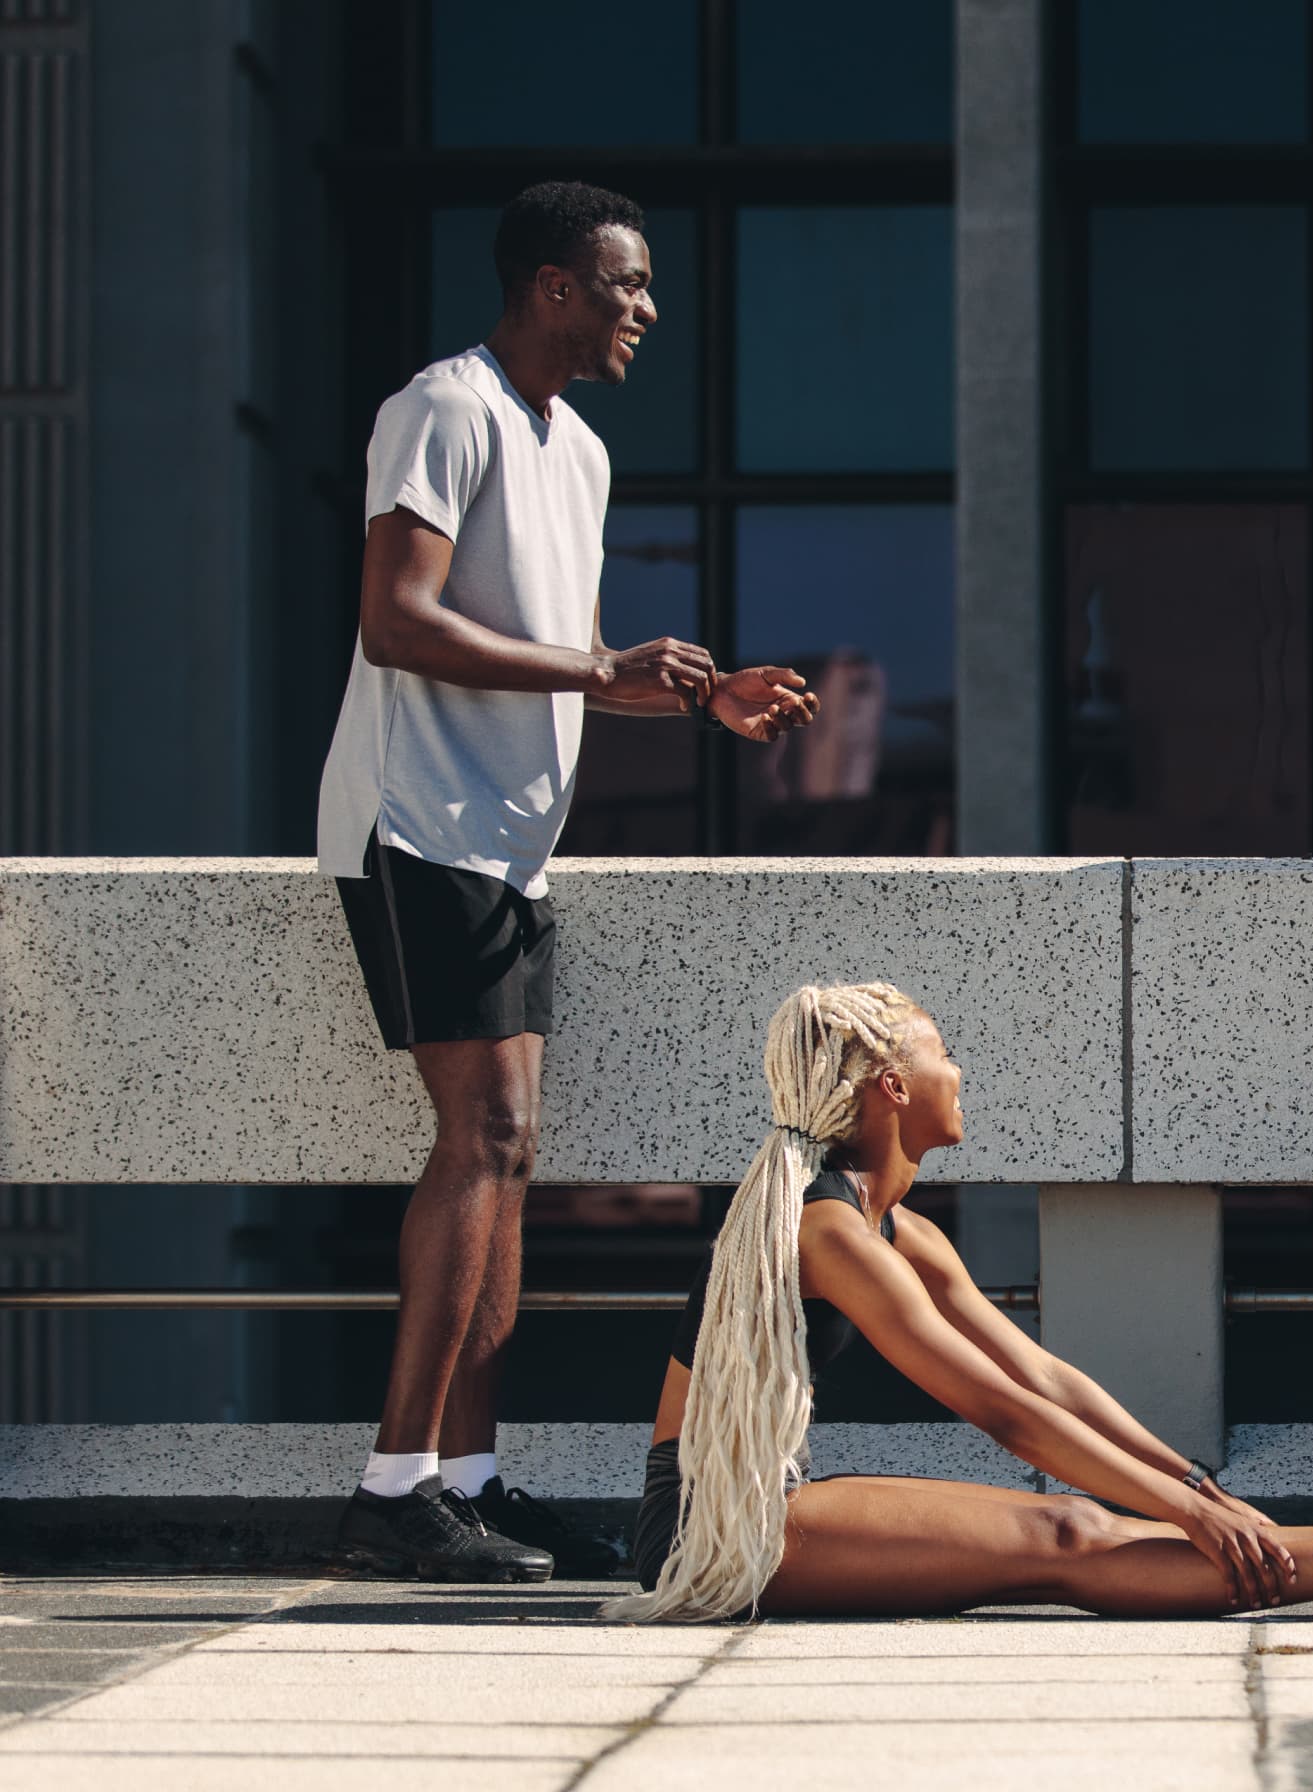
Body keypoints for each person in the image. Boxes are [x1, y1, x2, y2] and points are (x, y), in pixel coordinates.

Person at [316, 181, 821, 1582]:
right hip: (416, 824)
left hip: (508, 842)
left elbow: (570, 655)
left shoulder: (579, 454)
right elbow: (396, 620)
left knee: (512, 1152)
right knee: (480, 1138)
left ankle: (466, 1482)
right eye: (626, 285)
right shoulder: (443, 410)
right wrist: (602, 669)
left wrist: (694, 700)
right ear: (551, 286)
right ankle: (390, 1491)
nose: (646, 309)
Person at [604, 983, 1313, 1621]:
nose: (959, 1070)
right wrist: (1186, 1514)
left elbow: (1043, 1377)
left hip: (761, 1502)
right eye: (941, 1052)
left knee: (1081, 1522)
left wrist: (1191, 1482)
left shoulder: (896, 1229)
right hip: (705, 1529)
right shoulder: (824, 1230)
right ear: (892, 1088)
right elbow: (1001, 1412)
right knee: (1062, 1536)